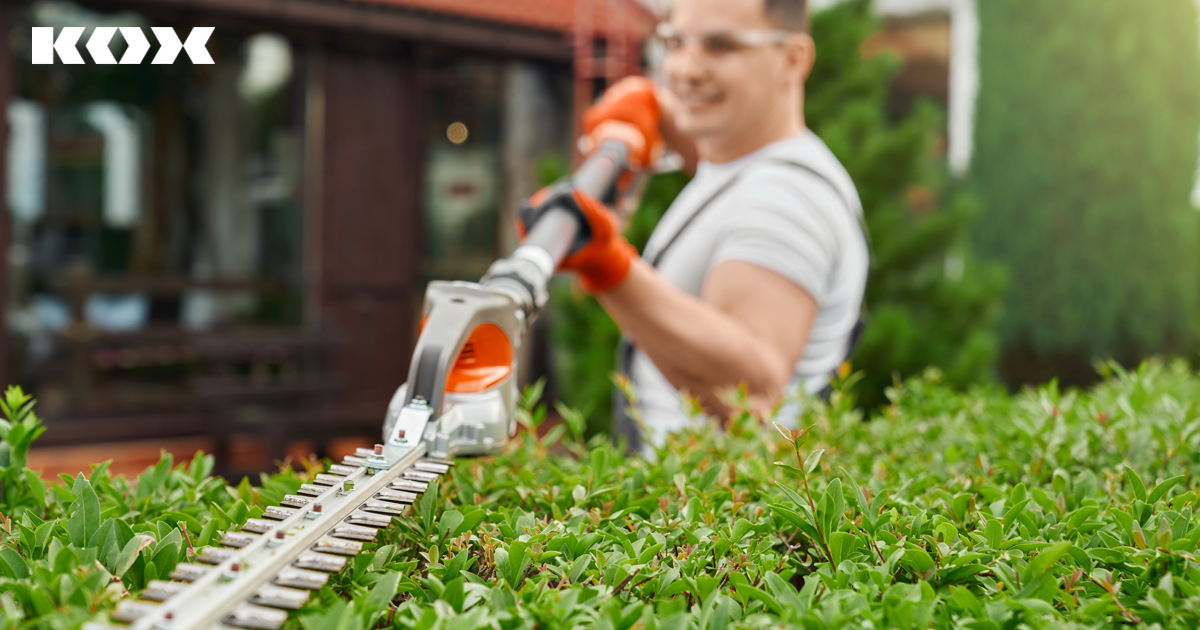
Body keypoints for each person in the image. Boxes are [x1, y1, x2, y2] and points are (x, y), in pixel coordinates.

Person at [521, 0, 868, 450]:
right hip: (694, 501)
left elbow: (751, 393)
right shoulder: (751, 161)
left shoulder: (783, 200)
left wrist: (607, 266)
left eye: (720, 46)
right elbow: (718, 175)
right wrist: (656, 111)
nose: (684, 70)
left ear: (793, 59)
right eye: (675, 42)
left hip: (714, 511)